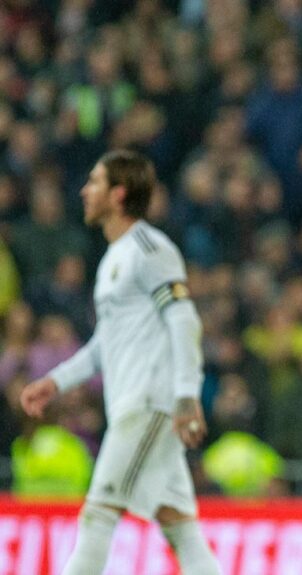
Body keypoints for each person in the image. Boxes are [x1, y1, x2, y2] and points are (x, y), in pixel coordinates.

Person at [20, 150, 221, 575]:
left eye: (94, 182)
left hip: (149, 404)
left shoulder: (151, 248)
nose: (84, 190)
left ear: (119, 193)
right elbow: (102, 345)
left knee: (97, 515)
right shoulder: (113, 258)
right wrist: (54, 383)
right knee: (181, 529)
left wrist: (187, 395)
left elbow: (184, 319)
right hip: (137, 405)